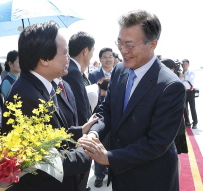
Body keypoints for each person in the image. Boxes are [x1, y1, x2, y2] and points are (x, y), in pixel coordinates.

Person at [79, 10, 185, 191]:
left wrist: (109, 157)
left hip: (152, 178)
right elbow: (107, 110)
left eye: (130, 44)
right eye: (120, 43)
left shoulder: (170, 86)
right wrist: (94, 133)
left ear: (152, 44)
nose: (123, 50)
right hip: (121, 175)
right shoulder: (119, 70)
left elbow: (157, 142)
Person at [1, 21, 99, 191]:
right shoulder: (25, 96)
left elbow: (48, 137)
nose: (69, 57)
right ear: (45, 59)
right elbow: (45, 162)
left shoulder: (43, 86)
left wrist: (79, 131)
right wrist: (88, 150)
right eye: (65, 52)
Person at [62, 31, 94, 126]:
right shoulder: (73, 72)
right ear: (85, 51)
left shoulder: (70, 68)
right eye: (93, 51)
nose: (92, 55)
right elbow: (81, 108)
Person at [161, 58, 188, 158]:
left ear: (173, 69)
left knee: (174, 156)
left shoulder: (177, 84)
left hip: (174, 125)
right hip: (162, 126)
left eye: (167, 68)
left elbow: (181, 106)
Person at [179, 59, 198, 129]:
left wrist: (183, 75)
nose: (184, 66)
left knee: (192, 107)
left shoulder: (191, 72)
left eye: (186, 64)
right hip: (183, 92)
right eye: (183, 64)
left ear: (188, 65)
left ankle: (195, 122)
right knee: (185, 108)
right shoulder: (180, 72)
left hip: (190, 91)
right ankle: (187, 122)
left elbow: (191, 79)